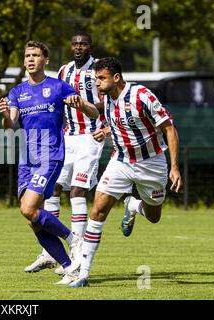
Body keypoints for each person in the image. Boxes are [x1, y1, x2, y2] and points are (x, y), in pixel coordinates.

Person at [68, 57, 183, 288]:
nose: (97, 83)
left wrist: (174, 167)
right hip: (120, 162)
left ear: (116, 77)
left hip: (151, 164)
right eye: (95, 79)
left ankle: (132, 205)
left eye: (101, 78)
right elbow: (117, 120)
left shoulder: (142, 96)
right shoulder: (107, 98)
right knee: (98, 210)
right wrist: (105, 130)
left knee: (153, 217)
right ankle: (82, 273)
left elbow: (169, 129)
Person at [0, 41, 99, 284]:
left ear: (45, 60)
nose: (30, 59)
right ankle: (69, 266)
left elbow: (94, 112)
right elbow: (11, 126)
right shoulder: (17, 92)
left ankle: (73, 238)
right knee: (32, 219)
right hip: (27, 160)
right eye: (27, 56)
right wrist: (4, 116)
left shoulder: (57, 86)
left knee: (28, 208)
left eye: (35, 55)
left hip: (50, 156)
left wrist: (82, 104)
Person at [24, 32, 106, 284]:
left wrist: (96, 117)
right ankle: (49, 252)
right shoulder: (63, 71)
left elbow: (106, 102)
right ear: (71, 47)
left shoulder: (98, 70)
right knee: (53, 190)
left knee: (78, 191)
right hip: (66, 138)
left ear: (90, 46)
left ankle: (77, 250)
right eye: (75, 43)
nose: (79, 47)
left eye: (83, 43)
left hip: (90, 137)